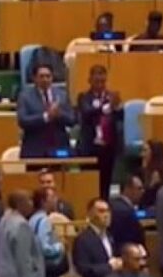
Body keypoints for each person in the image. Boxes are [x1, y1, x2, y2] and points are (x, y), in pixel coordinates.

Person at [77, 64, 122, 198]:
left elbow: (120, 117)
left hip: (108, 147)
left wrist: (116, 107)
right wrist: (106, 108)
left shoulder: (111, 96)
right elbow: (87, 113)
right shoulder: (84, 97)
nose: (100, 84)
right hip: (90, 147)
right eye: (97, 81)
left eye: (103, 81)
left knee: (105, 185)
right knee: (89, 185)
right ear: (90, 80)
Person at [18, 63, 76, 157]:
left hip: (59, 147)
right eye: (41, 76)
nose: (45, 79)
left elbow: (72, 119)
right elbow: (22, 121)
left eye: (48, 76)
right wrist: (46, 116)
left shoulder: (62, 95)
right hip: (34, 149)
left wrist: (59, 114)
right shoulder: (25, 96)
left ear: (52, 77)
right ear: (34, 78)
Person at [0, 190, 45, 277]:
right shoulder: (21, 224)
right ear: (20, 204)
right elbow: (23, 258)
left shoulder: (3, 220)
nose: (32, 204)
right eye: (29, 200)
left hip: (1, 276)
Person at [73, 198, 122, 277]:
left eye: (108, 211)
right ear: (90, 214)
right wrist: (109, 267)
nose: (106, 215)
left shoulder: (110, 236)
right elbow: (83, 269)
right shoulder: (83, 240)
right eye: (101, 211)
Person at [29, 188, 69, 277]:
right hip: (47, 269)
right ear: (43, 201)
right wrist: (61, 246)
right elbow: (44, 248)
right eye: (52, 197)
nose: (56, 200)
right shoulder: (43, 221)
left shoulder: (32, 218)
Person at [109, 175, 146, 248]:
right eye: (139, 188)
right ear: (127, 189)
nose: (143, 191)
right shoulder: (126, 212)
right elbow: (134, 239)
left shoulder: (112, 205)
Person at [139, 140, 163, 208]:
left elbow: (146, 202)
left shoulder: (159, 174)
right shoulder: (144, 172)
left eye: (145, 151)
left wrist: (151, 186)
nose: (142, 155)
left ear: (155, 153)